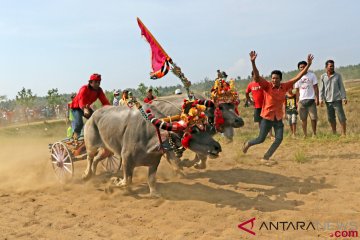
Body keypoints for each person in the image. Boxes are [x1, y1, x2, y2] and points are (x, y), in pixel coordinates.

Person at [243, 51, 314, 166]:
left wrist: (308, 65)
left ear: (280, 79)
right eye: (272, 78)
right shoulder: (267, 86)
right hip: (267, 116)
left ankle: (266, 157)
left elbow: (298, 76)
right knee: (261, 139)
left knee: (279, 138)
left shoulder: (284, 86)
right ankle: (248, 143)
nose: (274, 80)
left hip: (278, 117)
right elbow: (256, 76)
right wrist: (253, 62)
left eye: (276, 78)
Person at [70, 73, 110, 143]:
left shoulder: (99, 91)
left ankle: (96, 136)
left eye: (99, 82)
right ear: (91, 82)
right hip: (76, 108)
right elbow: (81, 101)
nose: (98, 84)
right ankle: (75, 138)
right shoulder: (84, 88)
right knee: (79, 123)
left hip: (86, 107)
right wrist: (84, 109)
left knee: (97, 120)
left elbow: (105, 102)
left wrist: (110, 110)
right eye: (96, 82)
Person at [320, 60, 347, 136]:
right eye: (330, 66)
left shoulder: (338, 76)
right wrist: (321, 99)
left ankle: (343, 134)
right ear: (326, 67)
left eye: (333, 66)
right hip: (328, 101)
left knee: (341, 117)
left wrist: (344, 97)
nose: (332, 67)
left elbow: (341, 87)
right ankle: (334, 133)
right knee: (331, 118)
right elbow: (321, 89)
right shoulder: (323, 76)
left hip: (337, 100)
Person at [294, 61, 319, 138]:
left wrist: (317, 98)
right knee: (303, 119)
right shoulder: (297, 77)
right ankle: (305, 134)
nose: (302, 68)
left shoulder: (312, 75)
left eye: (304, 66)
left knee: (313, 118)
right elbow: (297, 91)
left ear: (307, 67)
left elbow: (315, 87)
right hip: (302, 101)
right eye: (301, 67)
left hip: (311, 100)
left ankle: (314, 134)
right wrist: (297, 101)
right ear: (298, 68)